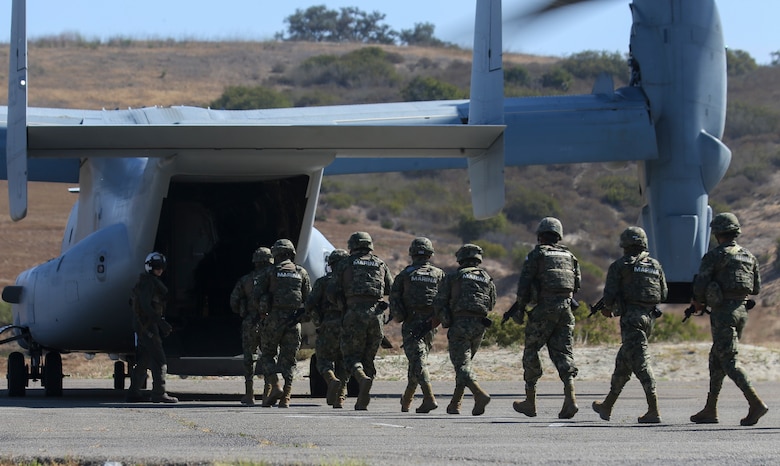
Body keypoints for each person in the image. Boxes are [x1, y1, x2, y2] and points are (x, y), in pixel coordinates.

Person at [689, 212, 767, 426]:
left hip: (723, 312)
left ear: (717, 233)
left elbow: (701, 284)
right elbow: (756, 288)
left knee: (729, 361)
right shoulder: (749, 256)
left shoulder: (714, 256)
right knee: (716, 358)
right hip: (741, 311)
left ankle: (756, 404)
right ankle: (710, 409)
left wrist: (698, 301)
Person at [592, 226, 667, 423]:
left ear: (625, 244)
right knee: (623, 363)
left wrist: (609, 308)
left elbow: (609, 297)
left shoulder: (620, 265)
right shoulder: (654, 265)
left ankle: (654, 410)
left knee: (641, 364)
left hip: (631, 321)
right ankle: (607, 405)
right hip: (648, 319)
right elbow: (664, 294)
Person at [510, 217, 581, 419]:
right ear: (558, 236)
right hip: (566, 309)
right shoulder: (569, 255)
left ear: (540, 236)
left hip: (544, 309)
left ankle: (530, 402)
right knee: (563, 353)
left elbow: (524, 285)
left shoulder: (537, 255)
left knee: (531, 351)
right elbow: (577, 284)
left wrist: (520, 309)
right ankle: (571, 399)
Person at [330, 231, 393, 410]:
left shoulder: (345, 263)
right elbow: (390, 288)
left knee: (350, 356)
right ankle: (363, 399)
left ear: (352, 246)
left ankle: (361, 377)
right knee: (369, 357)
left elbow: (332, 290)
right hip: (376, 316)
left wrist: (342, 304)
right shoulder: (380, 263)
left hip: (354, 313)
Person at [434, 243, 495, 416]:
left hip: (460, 323)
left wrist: (447, 321)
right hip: (480, 325)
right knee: (465, 366)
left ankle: (479, 394)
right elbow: (491, 303)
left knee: (461, 365)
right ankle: (455, 404)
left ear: (461, 258)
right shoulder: (486, 277)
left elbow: (439, 302)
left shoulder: (454, 276)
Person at [253, 239, 311, 408]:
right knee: (289, 360)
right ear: (292, 254)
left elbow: (257, 295)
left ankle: (275, 384)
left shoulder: (269, 272)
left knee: (268, 355)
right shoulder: (301, 272)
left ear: (275, 254)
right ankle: (286, 397)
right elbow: (308, 299)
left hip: (273, 320)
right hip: (294, 321)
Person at [391, 237, 446, 414]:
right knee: (417, 361)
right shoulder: (439, 274)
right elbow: (446, 298)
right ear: (430, 254)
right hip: (431, 324)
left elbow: (395, 300)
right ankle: (406, 400)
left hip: (412, 323)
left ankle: (429, 398)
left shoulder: (405, 274)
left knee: (418, 361)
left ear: (412, 253)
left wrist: (399, 317)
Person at [126, 252, 178, 403]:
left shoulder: (145, 282)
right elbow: (145, 305)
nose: (159, 270)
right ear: (150, 268)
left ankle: (134, 392)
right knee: (159, 359)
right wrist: (161, 323)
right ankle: (158, 392)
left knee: (144, 359)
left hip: (144, 326)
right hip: (148, 326)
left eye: (161, 267)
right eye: (156, 267)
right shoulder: (148, 283)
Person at [304, 248, 350, 409]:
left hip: (327, 326)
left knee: (323, 359)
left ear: (330, 265)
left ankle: (331, 379)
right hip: (348, 326)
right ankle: (340, 398)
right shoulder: (351, 283)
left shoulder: (323, 282)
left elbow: (310, 303)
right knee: (344, 362)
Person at [229, 246, 273, 406]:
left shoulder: (245, 280)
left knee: (249, 358)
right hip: (269, 322)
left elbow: (233, 301)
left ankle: (249, 394)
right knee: (269, 356)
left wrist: (243, 310)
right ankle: (268, 393)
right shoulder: (273, 278)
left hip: (250, 322)